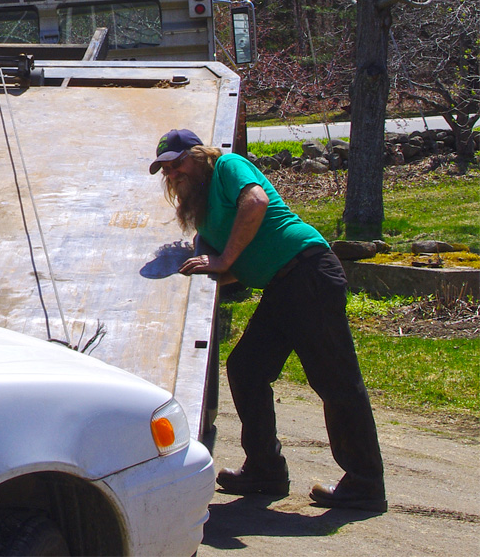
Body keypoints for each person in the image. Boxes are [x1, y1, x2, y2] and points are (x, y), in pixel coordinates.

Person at [150, 129, 386, 512]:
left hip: (307, 271)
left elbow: (256, 203)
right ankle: (265, 470)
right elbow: (243, 259)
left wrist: (224, 260)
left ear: (199, 154)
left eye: (178, 163)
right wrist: (212, 270)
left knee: (336, 379)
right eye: (166, 170)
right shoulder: (205, 208)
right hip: (282, 285)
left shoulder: (227, 166)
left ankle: (365, 483)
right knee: (246, 368)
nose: (174, 174)